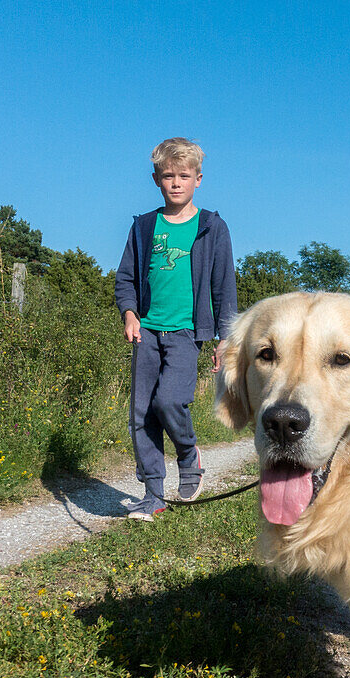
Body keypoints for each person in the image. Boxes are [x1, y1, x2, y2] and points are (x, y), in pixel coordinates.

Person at [114, 138, 238, 521]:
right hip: (147, 331)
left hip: (186, 333)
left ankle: (188, 454)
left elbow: (223, 287)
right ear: (156, 179)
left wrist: (224, 339)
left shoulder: (212, 228)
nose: (176, 183)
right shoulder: (144, 227)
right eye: (168, 176)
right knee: (141, 414)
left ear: (198, 179)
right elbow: (125, 280)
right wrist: (130, 314)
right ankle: (153, 494)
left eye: (184, 175)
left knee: (169, 401)